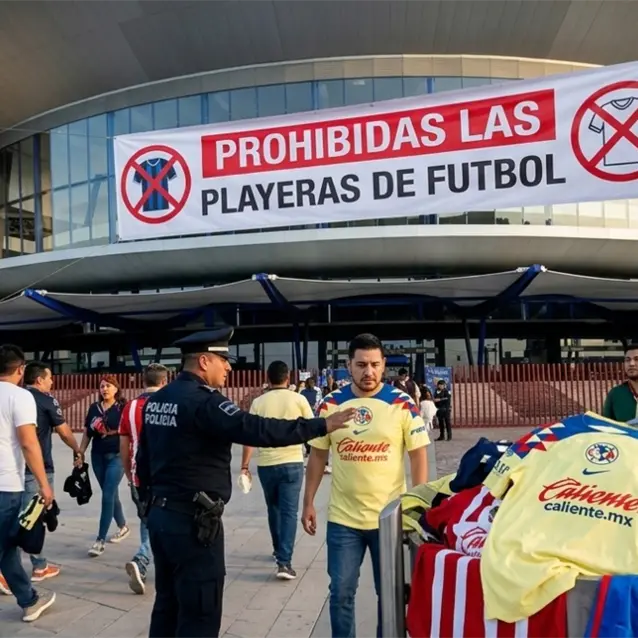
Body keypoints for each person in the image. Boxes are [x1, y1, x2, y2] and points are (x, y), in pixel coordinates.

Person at [136, 327, 355, 638]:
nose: (228, 367)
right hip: (193, 525)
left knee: (167, 605)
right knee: (200, 613)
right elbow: (256, 429)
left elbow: (143, 459)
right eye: (223, 360)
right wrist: (320, 425)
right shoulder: (205, 402)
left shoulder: (158, 400)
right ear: (204, 361)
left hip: (161, 519)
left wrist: (148, 506)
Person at [302, 333, 430, 638]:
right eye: (361, 365)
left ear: (384, 364)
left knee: (390, 595)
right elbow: (318, 456)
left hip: (389, 521)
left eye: (374, 364)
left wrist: (419, 506)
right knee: (341, 594)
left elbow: (418, 456)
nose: (368, 371)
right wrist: (308, 503)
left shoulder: (402, 404)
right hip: (343, 520)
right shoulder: (331, 404)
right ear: (349, 365)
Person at [240, 361, 313, 580]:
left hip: (267, 464)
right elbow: (312, 427)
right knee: (289, 512)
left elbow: (250, 436)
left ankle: (277, 550)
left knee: (274, 509)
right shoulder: (299, 399)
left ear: (268, 378)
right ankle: (284, 562)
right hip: (292, 462)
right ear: (288, 378)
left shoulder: (258, 402)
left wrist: (245, 466)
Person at [0, 345, 56, 621]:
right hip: (6, 484)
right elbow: (28, 443)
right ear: (21, 369)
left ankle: (28, 598)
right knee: (6, 546)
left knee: (6, 547)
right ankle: (29, 599)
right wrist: (44, 484)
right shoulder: (20, 396)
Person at [20, 361, 84, 582]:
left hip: (11, 467)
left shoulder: (15, 396)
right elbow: (64, 432)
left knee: (13, 515)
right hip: (38, 468)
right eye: (49, 378)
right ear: (39, 380)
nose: (52, 382)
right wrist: (77, 449)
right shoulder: (46, 400)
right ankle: (38, 566)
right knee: (33, 517)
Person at [119, 363, 169, 594]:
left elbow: (124, 445)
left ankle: (144, 564)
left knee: (146, 517)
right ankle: (142, 559)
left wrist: (129, 473)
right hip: (165, 472)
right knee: (166, 519)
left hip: (139, 473)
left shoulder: (129, 407)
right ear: (164, 381)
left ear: (143, 381)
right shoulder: (169, 404)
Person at [79, 375, 129, 557]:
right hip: (97, 456)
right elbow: (87, 432)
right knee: (111, 494)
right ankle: (123, 526)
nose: (105, 389)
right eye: (102, 386)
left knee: (107, 494)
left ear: (116, 389)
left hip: (117, 455)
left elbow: (129, 432)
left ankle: (100, 540)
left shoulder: (123, 407)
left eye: (108, 386)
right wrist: (80, 452)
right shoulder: (94, 408)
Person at [603, 343, 638, 422]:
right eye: (627, 360)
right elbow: (605, 425)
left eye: (637, 359)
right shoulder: (615, 394)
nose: (631, 364)